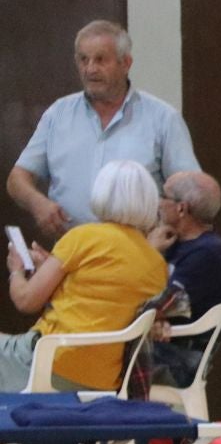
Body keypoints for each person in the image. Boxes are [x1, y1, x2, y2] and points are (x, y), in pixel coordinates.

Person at [9, 22, 199, 240]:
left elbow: (191, 193)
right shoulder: (58, 115)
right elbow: (17, 178)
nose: (90, 69)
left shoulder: (163, 119)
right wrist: (38, 204)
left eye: (100, 59)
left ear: (126, 63)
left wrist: (164, 219)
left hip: (139, 256)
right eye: (83, 59)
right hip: (70, 257)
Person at [0, 160, 168, 393]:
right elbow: (99, 295)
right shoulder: (157, 265)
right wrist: (49, 268)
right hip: (103, 381)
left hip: (49, 364)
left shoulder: (83, 237)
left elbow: (26, 300)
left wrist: (16, 270)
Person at [147, 171, 221, 386]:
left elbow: (155, 306)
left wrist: (149, 252)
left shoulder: (208, 254)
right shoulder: (172, 242)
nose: (158, 203)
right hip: (158, 344)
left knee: (97, 360)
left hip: (179, 358)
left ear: (181, 208)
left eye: (164, 196)